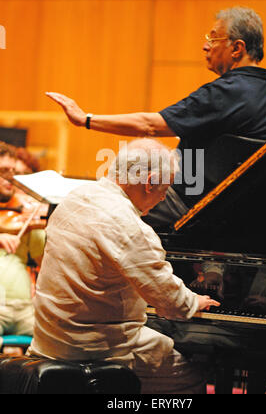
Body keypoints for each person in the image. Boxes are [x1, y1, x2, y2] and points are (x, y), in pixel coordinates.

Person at [46, 6, 266, 229]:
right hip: (233, 213)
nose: (205, 46)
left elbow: (149, 125)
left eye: (213, 39)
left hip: (186, 203)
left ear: (237, 48)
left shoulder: (225, 92)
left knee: (75, 208)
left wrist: (85, 119)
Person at [27, 138, 220, 394]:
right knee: (191, 379)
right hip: (94, 349)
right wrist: (195, 301)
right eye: (165, 189)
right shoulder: (130, 226)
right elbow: (171, 302)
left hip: (48, 338)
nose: (163, 198)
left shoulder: (74, 199)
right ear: (150, 182)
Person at [0, 141, 45, 344]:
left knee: (58, 341)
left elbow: (44, 261)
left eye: (13, 171)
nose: (10, 178)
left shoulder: (25, 213)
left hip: (25, 308)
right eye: (3, 171)